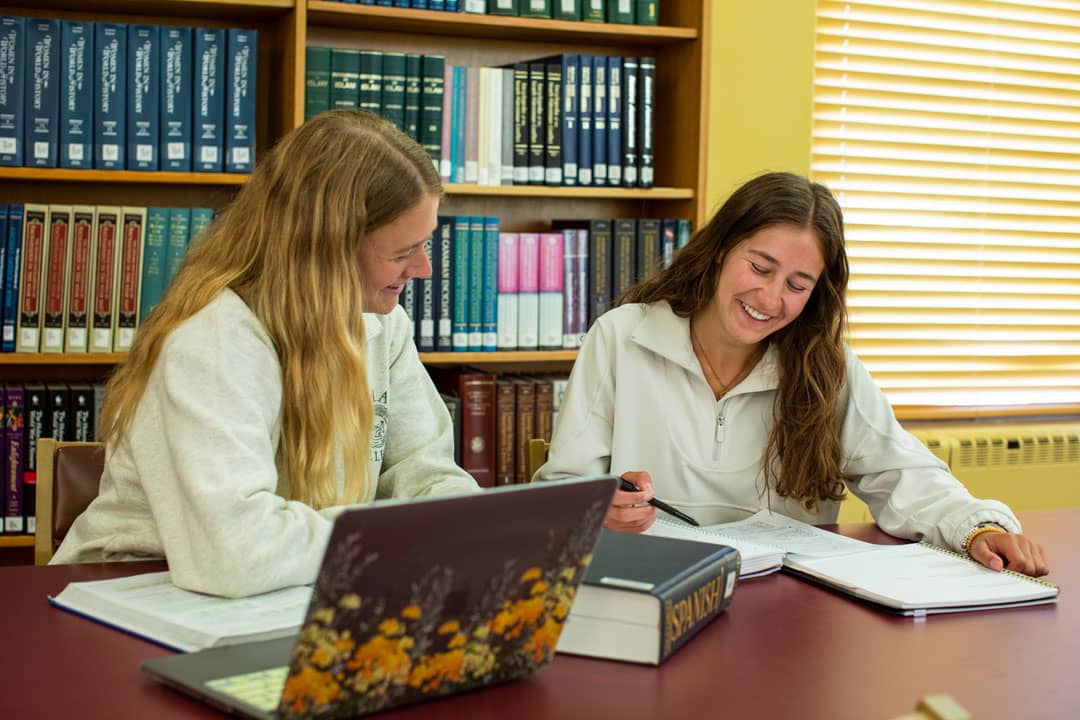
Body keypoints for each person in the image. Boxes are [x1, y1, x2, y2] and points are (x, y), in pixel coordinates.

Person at [52, 110, 479, 595]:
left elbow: (430, 480)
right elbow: (236, 552)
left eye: (425, 245)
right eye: (402, 253)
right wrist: (401, 531)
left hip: (291, 586)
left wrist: (453, 524)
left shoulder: (383, 326)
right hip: (137, 591)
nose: (423, 269)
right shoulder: (212, 340)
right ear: (326, 248)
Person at [536, 171, 1048, 577]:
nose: (770, 299)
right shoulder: (621, 337)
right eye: (759, 268)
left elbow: (906, 476)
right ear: (720, 250)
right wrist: (600, 508)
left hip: (787, 604)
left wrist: (979, 528)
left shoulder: (828, 368)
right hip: (652, 584)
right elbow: (567, 487)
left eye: (797, 285)